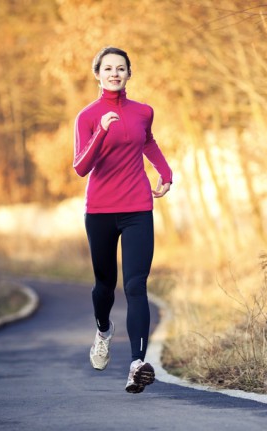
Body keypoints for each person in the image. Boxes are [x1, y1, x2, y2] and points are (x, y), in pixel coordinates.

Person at [73, 46, 172, 394]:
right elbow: (81, 166)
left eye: (121, 68)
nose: (115, 73)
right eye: (108, 68)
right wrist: (100, 131)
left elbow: (149, 142)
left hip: (137, 208)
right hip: (100, 211)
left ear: (129, 74)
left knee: (135, 286)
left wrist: (165, 170)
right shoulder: (87, 117)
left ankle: (136, 365)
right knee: (104, 286)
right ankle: (103, 332)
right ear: (97, 74)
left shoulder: (143, 112)